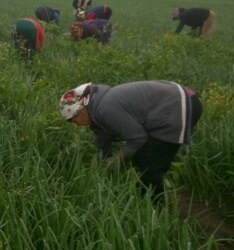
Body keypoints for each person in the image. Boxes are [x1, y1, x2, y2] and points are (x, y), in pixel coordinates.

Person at [59, 81, 202, 201]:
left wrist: (119, 159)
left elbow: (138, 138)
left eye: (72, 120)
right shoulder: (96, 110)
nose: (75, 125)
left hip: (178, 106)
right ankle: (150, 197)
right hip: (179, 99)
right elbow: (102, 138)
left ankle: (154, 209)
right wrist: (104, 162)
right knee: (146, 156)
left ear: (81, 111)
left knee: (147, 162)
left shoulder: (106, 109)